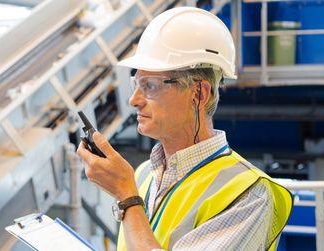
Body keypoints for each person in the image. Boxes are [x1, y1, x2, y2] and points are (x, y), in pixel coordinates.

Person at [76, 7, 292, 250]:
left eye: (151, 85)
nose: (134, 100)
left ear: (198, 93)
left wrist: (127, 197)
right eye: (136, 84)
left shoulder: (249, 194)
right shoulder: (145, 174)